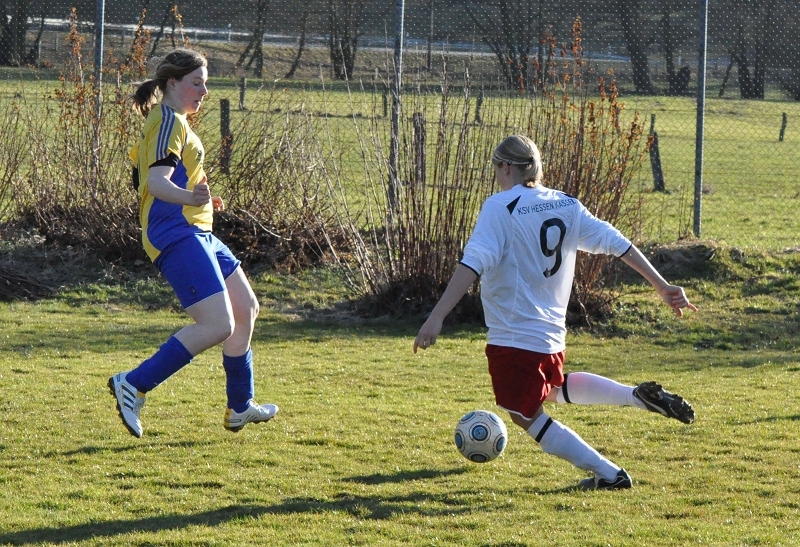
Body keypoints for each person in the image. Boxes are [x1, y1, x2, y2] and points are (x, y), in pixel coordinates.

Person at [414, 134, 696, 490]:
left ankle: (610, 474)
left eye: (496, 168)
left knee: (524, 414)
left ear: (506, 167)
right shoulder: (565, 203)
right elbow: (615, 242)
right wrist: (660, 285)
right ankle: (634, 396)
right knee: (550, 389)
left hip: (514, 336)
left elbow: (472, 263)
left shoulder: (500, 207)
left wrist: (437, 316)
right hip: (552, 336)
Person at [109, 48, 278, 438]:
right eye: (196, 83)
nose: (203, 91)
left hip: (195, 230)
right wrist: (191, 198)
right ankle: (134, 384)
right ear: (172, 84)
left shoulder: (173, 120)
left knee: (245, 307)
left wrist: (199, 199)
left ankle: (239, 406)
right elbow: (155, 184)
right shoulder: (168, 121)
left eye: (206, 83)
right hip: (174, 231)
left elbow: (163, 179)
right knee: (218, 323)